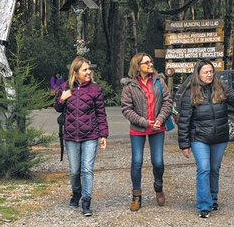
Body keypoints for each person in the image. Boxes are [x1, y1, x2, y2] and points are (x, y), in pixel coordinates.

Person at [177, 59, 234, 218]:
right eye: (205, 72)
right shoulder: (190, 92)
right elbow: (184, 120)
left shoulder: (221, 87)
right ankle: (204, 206)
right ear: (198, 74)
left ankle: (213, 199)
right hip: (199, 138)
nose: (209, 75)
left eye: (211, 71)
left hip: (219, 137)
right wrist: (184, 144)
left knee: (214, 169)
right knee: (204, 169)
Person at [53, 56, 108, 217]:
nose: (88, 72)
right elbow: (57, 107)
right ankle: (76, 193)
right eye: (85, 70)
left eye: (89, 69)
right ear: (75, 72)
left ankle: (86, 201)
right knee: (74, 171)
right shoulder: (65, 87)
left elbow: (101, 114)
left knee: (87, 169)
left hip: (90, 135)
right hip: (70, 136)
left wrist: (103, 134)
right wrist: (62, 99)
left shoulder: (95, 89)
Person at [121, 53, 173, 211]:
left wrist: (160, 119)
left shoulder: (159, 81)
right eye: (146, 62)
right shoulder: (129, 86)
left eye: (151, 61)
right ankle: (136, 195)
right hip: (138, 129)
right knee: (137, 162)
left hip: (158, 128)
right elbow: (126, 109)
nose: (151, 64)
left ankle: (158, 186)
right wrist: (144, 122)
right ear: (138, 66)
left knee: (158, 161)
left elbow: (167, 102)